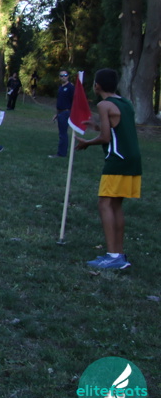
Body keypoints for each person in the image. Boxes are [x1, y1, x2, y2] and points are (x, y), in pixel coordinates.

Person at [76, 68, 141, 270]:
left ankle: (113, 256)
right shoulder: (125, 103)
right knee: (115, 205)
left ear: (97, 86)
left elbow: (105, 138)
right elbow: (116, 128)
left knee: (104, 204)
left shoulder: (104, 105)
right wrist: (96, 125)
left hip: (117, 160)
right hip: (132, 160)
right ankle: (118, 254)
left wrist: (87, 142)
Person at [50, 69, 74, 158]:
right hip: (60, 112)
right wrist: (56, 113)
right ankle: (61, 152)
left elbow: (74, 100)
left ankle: (61, 153)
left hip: (66, 112)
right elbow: (60, 101)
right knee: (61, 133)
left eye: (65, 75)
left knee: (63, 133)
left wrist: (71, 112)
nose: (63, 77)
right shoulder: (60, 87)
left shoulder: (71, 87)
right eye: (61, 75)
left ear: (68, 76)